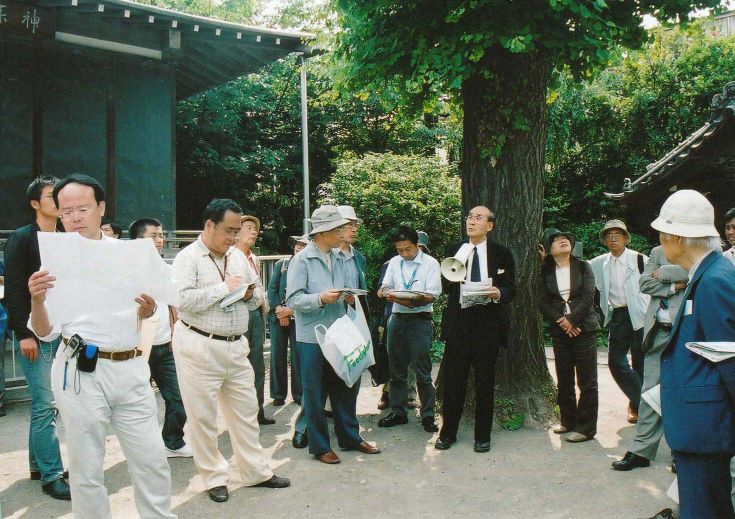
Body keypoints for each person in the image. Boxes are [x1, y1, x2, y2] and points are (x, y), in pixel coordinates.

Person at [27, 174, 173, 518]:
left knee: (152, 459)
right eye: (67, 211)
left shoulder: (129, 254)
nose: (75, 217)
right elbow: (46, 331)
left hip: (131, 366)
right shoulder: (53, 259)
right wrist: (36, 299)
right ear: (58, 215)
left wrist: (147, 310)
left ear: (101, 209)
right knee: (86, 466)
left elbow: (149, 305)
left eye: (83, 208)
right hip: (80, 371)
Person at [171, 199, 289, 502]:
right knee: (203, 416)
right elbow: (183, 301)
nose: (233, 238)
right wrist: (225, 290)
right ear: (209, 225)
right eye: (229, 231)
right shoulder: (188, 258)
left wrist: (248, 294)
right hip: (199, 344)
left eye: (237, 232)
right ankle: (214, 477)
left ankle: (256, 471)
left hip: (236, 345)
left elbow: (258, 294)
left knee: (246, 412)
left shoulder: (237, 256)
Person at [650, 189, 735, 518]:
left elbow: (730, 358)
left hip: (706, 430)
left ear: (676, 237)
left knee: (704, 511)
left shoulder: (715, 281)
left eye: (662, 232)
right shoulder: (708, 274)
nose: (659, 238)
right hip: (700, 426)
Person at [286, 205, 380, 464]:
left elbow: (348, 289)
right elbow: (293, 299)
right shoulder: (301, 260)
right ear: (322, 232)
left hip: (341, 332)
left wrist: (348, 296)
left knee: (346, 384)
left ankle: (350, 436)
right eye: (338, 228)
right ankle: (319, 446)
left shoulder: (342, 257)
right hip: (312, 336)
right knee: (315, 392)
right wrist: (320, 298)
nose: (343, 231)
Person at [4, 176, 70, 499]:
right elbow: (14, 291)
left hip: (60, 332)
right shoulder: (22, 238)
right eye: (50, 197)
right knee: (47, 403)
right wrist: (23, 334)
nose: (58, 202)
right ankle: (52, 473)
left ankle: (38, 464)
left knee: (47, 404)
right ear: (35, 204)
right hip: (34, 336)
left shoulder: (64, 236)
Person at [436, 206, 516, 453]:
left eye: (478, 218)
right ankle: (447, 433)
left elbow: (511, 288)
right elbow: (446, 287)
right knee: (453, 382)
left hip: (488, 324)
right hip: (460, 323)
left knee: (485, 382)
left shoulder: (501, 253)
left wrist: (499, 293)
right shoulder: (455, 250)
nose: (471, 221)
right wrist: (452, 272)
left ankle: (483, 436)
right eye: (469, 217)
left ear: (489, 226)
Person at [612, 245, 688, 471]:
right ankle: (641, 451)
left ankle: (681, 453)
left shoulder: (695, 249)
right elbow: (644, 284)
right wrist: (675, 284)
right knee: (648, 394)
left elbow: (693, 274)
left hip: (684, 332)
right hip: (657, 331)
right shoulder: (657, 251)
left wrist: (662, 273)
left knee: (680, 395)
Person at [129, 217, 192, 458]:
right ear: (137, 241)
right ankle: (142, 449)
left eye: (161, 235)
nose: (160, 240)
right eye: (153, 235)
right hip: (137, 348)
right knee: (139, 404)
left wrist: (176, 331)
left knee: (178, 397)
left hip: (166, 346)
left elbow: (172, 303)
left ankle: (172, 442)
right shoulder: (127, 272)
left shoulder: (167, 269)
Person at [377, 225, 441, 433]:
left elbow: (431, 295)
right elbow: (384, 287)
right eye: (400, 250)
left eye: (408, 249)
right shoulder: (395, 263)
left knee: (422, 369)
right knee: (396, 369)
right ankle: (398, 411)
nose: (404, 254)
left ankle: (428, 414)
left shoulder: (431, 264)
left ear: (417, 245)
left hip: (420, 320)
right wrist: (388, 293)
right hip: (397, 319)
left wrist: (406, 298)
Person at [539, 228, 600, 443]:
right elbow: (543, 301)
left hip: (584, 328)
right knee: (564, 377)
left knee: (587, 380)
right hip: (560, 330)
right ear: (549, 249)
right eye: (556, 240)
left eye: (565, 238)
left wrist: (572, 320)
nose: (562, 240)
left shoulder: (584, 266)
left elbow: (588, 296)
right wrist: (563, 322)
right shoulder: (545, 271)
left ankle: (586, 428)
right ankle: (568, 421)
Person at [589, 219, 649, 423]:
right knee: (616, 362)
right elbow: (576, 268)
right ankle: (646, 404)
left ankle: (636, 407)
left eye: (617, 235)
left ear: (626, 238)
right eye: (609, 236)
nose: (613, 239)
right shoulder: (599, 263)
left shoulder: (640, 259)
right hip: (619, 314)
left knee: (640, 362)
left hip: (642, 314)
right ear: (604, 240)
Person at [234, 214, 274, 425]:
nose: (253, 231)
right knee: (239, 365)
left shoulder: (253, 258)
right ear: (236, 231)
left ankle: (257, 410)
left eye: (255, 229)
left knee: (257, 364)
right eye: (248, 227)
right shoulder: (230, 256)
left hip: (257, 314)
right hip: (238, 315)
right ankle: (241, 416)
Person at [268, 235, 306, 407]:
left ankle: (299, 394)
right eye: (297, 244)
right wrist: (280, 312)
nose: (299, 247)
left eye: (303, 245)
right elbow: (272, 289)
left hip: (298, 316)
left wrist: (290, 312)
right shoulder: (281, 264)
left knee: (298, 355)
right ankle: (278, 394)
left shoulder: (308, 266)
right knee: (277, 355)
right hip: (278, 316)